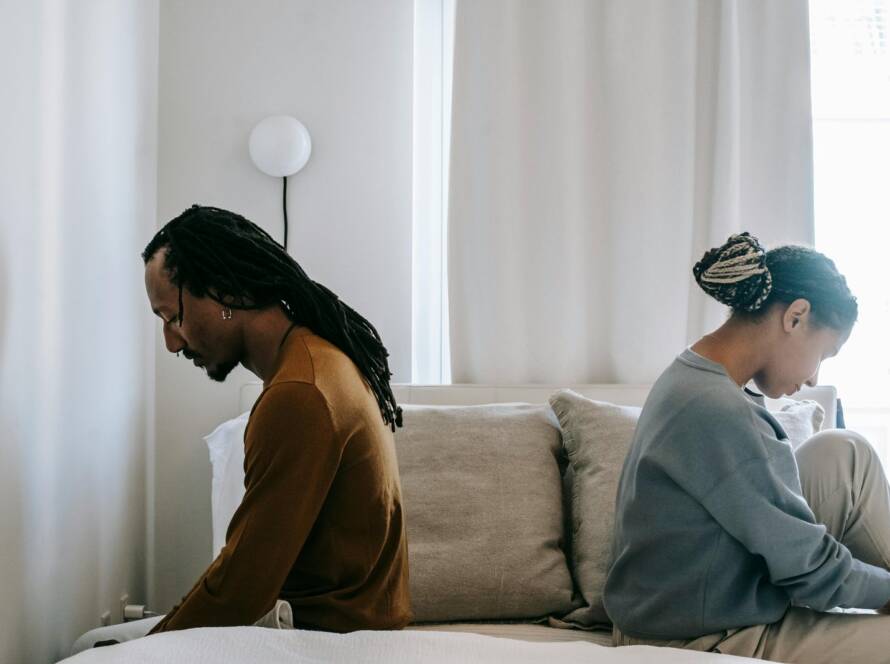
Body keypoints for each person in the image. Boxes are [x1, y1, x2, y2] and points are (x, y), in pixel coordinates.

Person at [72, 205, 411, 653]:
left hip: (322, 638)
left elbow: (241, 589)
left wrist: (151, 647)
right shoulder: (319, 358)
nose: (171, 343)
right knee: (93, 641)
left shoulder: (299, 395)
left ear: (224, 291)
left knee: (91, 648)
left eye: (173, 318)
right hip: (345, 622)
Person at [604, 232, 890, 662]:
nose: (814, 378)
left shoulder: (695, 373)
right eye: (824, 354)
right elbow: (812, 570)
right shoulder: (718, 409)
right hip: (702, 635)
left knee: (843, 452)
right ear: (795, 317)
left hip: (705, 590)